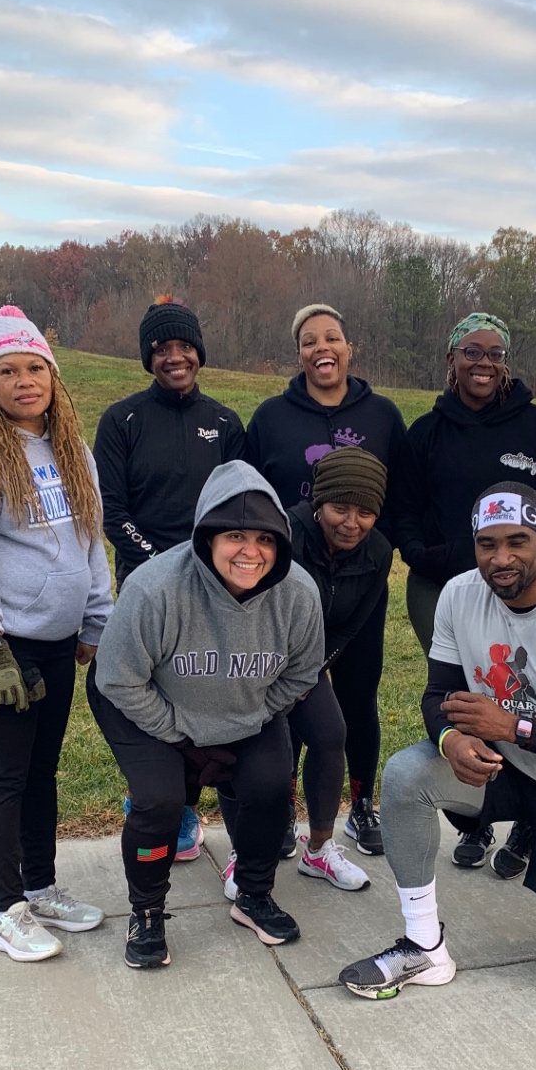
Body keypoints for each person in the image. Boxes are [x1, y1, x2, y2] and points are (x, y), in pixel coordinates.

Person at [339, 483, 536, 999]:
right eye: (487, 544)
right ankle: (423, 947)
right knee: (405, 773)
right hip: (504, 770)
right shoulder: (459, 596)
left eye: (517, 541)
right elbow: (439, 695)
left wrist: (512, 727)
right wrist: (448, 742)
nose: (501, 558)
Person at [88, 461, 324, 968]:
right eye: (235, 535)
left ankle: (254, 896)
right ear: (207, 536)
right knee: (160, 799)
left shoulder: (299, 595)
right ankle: (146, 912)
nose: (250, 551)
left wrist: (249, 718)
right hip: (143, 704)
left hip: (243, 712)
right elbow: (118, 678)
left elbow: (302, 675)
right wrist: (182, 735)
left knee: (268, 785)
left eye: (264, 538)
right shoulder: (156, 589)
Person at [0, 307, 112, 962]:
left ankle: (39, 886)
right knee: (5, 775)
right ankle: (4, 910)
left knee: (42, 771)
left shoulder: (72, 453)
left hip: (57, 642)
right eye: (7, 370)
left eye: (35, 367)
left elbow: (89, 544)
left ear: (53, 376)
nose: (24, 380)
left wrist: (97, 622)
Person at [388, 311, 536, 871]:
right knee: (467, 695)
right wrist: (434, 556)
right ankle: (475, 815)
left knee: (523, 692)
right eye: (472, 351)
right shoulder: (427, 431)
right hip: (443, 586)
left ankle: (532, 817)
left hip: (526, 587)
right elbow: (404, 512)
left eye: (495, 353)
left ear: (506, 363)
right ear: (451, 360)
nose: (484, 363)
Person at [244, 305, 407, 855]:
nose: (322, 348)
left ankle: (361, 803)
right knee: (288, 698)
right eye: (310, 341)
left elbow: (403, 491)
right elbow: (250, 495)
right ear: (299, 354)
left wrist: (382, 545)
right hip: (289, 573)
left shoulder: (382, 414)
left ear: (348, 347)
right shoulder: (271, 417)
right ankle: (285, 804)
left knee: (358, 698)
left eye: (332, 337)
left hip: (359, 578)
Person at [93, 297, 246, 863]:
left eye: (184, 347)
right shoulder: (122, 420)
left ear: (199, 354)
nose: (174, 357)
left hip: (217, 583)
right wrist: (162, 562)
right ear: (148, 358)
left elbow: (240, 506)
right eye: (162, 349)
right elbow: (113, 509)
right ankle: (154, 799)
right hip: (145, 582)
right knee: (149, 692)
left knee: (200, 689)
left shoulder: (226, 423)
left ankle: (187, 806)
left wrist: (210, 563)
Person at [254, 445, 392, 894]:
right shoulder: (280, 534)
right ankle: (256, 840)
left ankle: (319, 849)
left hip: (312, 657)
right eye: (340, 509)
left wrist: (307, 672)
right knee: (266, 744)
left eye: (365, 512)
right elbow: (254, 606)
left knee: (332, 733)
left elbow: (352, 624)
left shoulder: (379, 551)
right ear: (317, 503)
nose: (352, 523)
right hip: (260, 654)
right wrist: (279, 674)